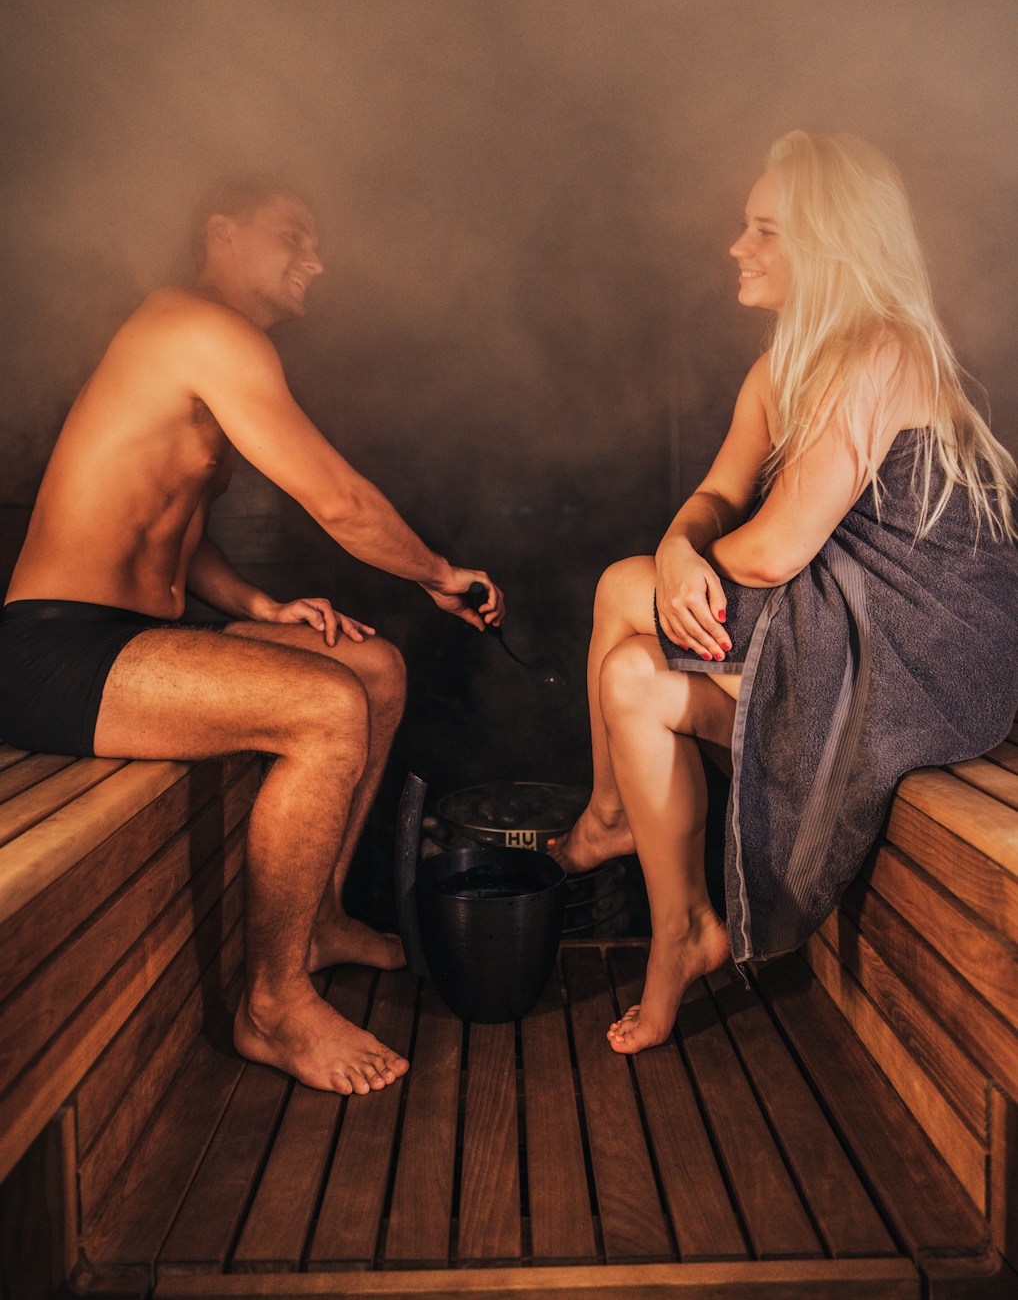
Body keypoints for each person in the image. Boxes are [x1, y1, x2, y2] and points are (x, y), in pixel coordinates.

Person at [0, 178, 504, 1095]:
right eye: (293, 236)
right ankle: (270, 1003)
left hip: (130, 637)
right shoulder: (196, 327)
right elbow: (339, 501)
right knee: (324, 707)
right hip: (54, 650)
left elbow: (174, 521)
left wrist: (260, 606)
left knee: (373, 669)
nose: (316, 258)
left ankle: (317, 922)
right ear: (222, 235)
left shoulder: (205, 341)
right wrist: (437, 573)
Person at [550, 131, 1018, 1055]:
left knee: (620, 590)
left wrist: (687, 562)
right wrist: (679, 544)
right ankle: (684, 928)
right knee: (634, 679)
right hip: (846, 611)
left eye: (765, 228)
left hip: (928, 643)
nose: (738, 246)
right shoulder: (779, 368)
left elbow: (773, 552)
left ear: (831, 246)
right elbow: (719, 496)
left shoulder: (883, 348)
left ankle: (608, 815)